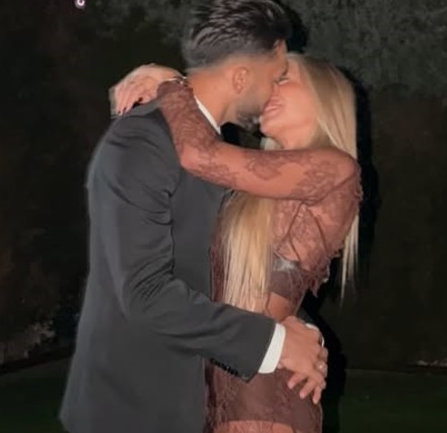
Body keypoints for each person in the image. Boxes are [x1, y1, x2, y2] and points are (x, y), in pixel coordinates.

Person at [60, 0, 330, 433]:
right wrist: (277, 343)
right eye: (276, 76)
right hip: (131, 411)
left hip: (184, 405)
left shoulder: (211, 152)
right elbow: (145, 295)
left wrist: (302, 334)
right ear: (241, 78)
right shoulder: (142, 143)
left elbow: (227, 274)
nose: (274, 91)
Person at [111, 53, 362, 433]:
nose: (268, 89)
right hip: (222, 386)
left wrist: (173, 84)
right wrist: (299, 329)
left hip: (265, 397)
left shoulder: (335, 167)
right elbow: (251, 283)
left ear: (323, 96)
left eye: (283, 79)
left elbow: (199, 154)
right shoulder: (249, 198)